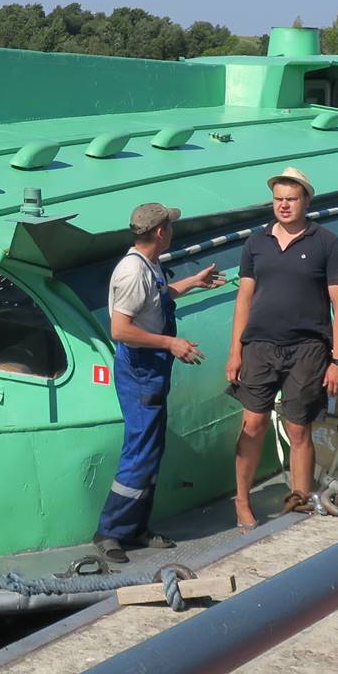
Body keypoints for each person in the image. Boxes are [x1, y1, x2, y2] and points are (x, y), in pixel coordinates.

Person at [92, 201, 226, 564]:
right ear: (160, 233)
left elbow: (158, 298)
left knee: (151, 450)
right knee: (139, 450)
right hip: (140, 369)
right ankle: (110, 531)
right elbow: (120, 329)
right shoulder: (132, 272)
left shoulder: (149, 265)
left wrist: (192, 283)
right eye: (170, 225)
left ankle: (135, 527)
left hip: (152, 368)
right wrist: (171, 343)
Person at [227, 167, 338, 529]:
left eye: (291, 199)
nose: (283, 205)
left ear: (306, 201)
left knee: (299, 430)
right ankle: (242, 502)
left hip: (308, 349)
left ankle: (299, 502)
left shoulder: (327, 244)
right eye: (278, 199)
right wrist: (235, 350)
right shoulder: (256, 243)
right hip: (260, 346)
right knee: (253, 424)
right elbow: (244, 299)